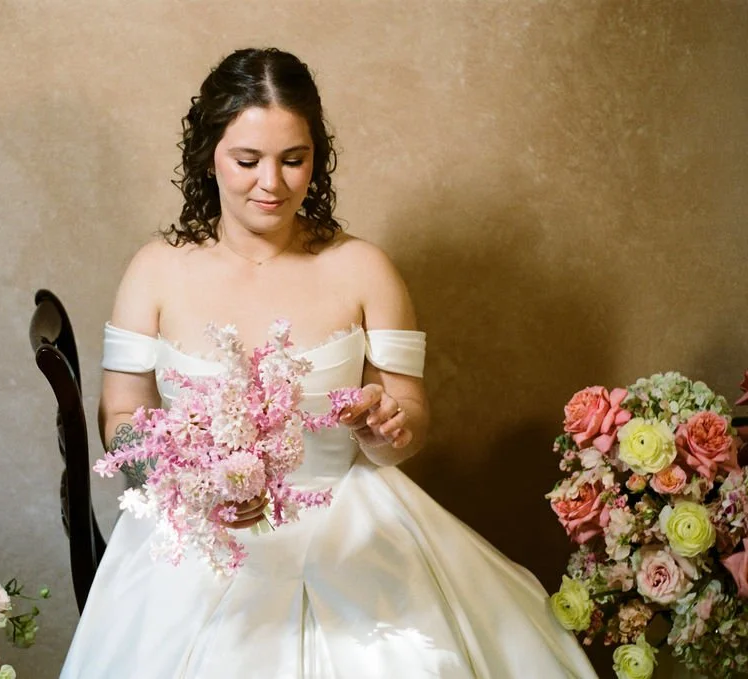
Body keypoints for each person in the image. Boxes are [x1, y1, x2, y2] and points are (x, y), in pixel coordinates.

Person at [61, 48, 596, 679]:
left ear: (318, 155)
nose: (273, 184)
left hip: (349, 514)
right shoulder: (154, 270)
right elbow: (120, 414)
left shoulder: (364, 268)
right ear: (209, 155)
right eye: (248, 161)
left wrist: (388, 430)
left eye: (294, 160)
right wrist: (189, 477)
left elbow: (410, 419)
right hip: (199, 536)